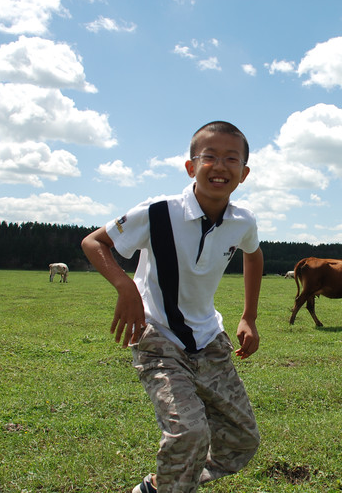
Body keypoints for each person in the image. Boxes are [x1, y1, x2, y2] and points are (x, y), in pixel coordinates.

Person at [81, 121, 263, 493]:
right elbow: (93, 242)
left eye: (231, 159)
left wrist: (249, 316)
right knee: (190, 433)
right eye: (209, 156)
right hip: (158, 336)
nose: (220, 166)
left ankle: (160, 486)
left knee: (242, 440)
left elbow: (254, 255)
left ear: (243, 174)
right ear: (190, 166)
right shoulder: (158, 211)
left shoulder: (242, 221)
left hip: (209, 338)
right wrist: (127, 288)